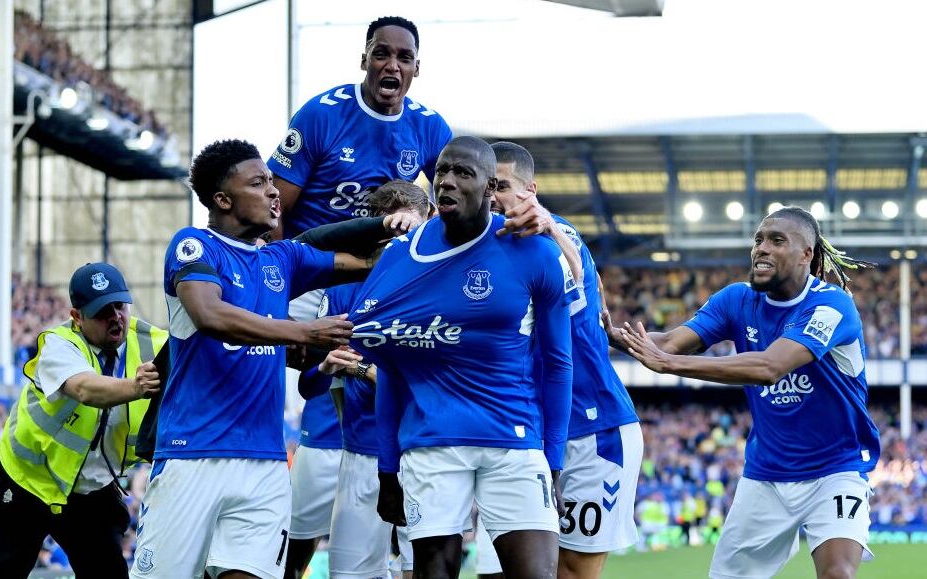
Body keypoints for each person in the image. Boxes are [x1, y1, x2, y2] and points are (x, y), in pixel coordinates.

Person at [130, 139, 385, 579]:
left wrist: (405, 227)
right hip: (194, 455)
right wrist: (303, 332)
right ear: (222, 199)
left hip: (266, 463)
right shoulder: (193, 245)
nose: (273, 192)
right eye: (259, 183)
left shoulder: (280, 259)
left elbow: (361, 260)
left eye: (272, 180)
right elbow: (210, 315)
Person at [351, 136, 576, 579]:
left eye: (463, 174)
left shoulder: (534, 252)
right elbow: (392, 368)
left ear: (491, 187)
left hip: (514, 440)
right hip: (432, 446)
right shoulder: (400, 258)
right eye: (442, 172)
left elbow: (558, 362)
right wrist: (387, 468)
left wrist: (554, 458)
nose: (448, 182)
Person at [614, 206, 880, 579]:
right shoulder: (737, 300)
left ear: (807, 254)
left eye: (776, 240)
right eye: (758, 240)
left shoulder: (832, 305)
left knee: (837, 573)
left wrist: (670, 365)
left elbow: (769, 367)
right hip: (766, 477)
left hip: (836, 470)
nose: (762, 249)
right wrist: (608, 333)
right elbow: (671, 342)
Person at [491, 142, 641, 579]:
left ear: (530, 190)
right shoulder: (488, 250)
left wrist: (550, 229)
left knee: (571, 572)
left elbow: (573, 270)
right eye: (487, 188)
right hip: (528, 431)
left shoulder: (555, 232)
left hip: (593, 431)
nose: (493, 197)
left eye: (503, 186)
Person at [0, 262, 168, 579]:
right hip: (27, 485)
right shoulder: (58, 345)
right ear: (77, 317)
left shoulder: (152, 342)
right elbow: (84, 388)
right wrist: (135, 386)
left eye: (120, 304)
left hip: (91, 494)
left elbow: (199, 348)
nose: (116, 317)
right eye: (103, 311)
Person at [297, 180, 431, 579]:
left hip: (428, 451)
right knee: (350, 574)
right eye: (393, 229)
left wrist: (360, 369)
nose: (401, 242)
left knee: (423, 569)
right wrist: (326, 369)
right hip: (361, 451)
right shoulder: (342, 291)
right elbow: (311, 386)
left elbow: (425, 384)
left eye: (413, 229)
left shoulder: (443, 286)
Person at [268, 15, 451, 241]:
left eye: (404, 58)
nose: (393, 66)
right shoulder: (320, 115)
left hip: (378, 262)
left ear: (416, 68)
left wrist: (423, 212)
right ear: (365, 61)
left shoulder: (430, 127)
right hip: (311, 259)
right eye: (381, 54)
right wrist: (278, 268)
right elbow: (273, 207)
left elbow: (458, 200)